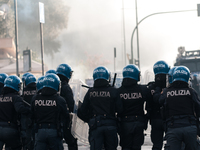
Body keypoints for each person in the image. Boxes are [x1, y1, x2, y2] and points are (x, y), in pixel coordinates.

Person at [77, 66, 123, 150]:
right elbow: (120, 109)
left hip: (95, 126)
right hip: (110, 125)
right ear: (107, 77)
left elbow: (82, 111)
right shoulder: (113, 91)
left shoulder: (90, 92)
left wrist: (90, 120)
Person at [156, 66, 200, 150]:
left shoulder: (167, 92)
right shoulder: (191, 91)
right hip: (190, 127)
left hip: (173, 127)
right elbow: (198, 109)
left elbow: (160, 101)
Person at [31, 73, 70, 150]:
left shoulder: (35, 98)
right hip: (54, 131)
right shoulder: (60, 100)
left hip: (39, 131)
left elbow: (31, 115)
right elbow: (66, 116)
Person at [117, 64, 151, 150]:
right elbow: (151, 104)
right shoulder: (143, 89)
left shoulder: (118, 91)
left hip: (124, 123)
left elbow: (115, 108)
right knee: (136, 147)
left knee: (125, 147)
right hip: (138, 122)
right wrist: (147, 116)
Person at [0, 75, 30, 150]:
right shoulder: (15, 97)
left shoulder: (0, 97)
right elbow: (20, 109)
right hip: (10, 129)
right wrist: (30, 110)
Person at [147, 60, 170, 150]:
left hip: (155, 118)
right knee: (172, 144)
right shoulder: (171, 87)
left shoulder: (151, 87)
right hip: (169, 119)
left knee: (157, 145)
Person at [56, 63, 78, 150]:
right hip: (65, 120)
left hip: (54, 121)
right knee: (72, 142)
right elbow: (71, 104)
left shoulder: (54, 86)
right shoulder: (66, 87)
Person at [21, 74, 37, 150]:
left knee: (26, 136)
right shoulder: (38, 90)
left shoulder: (23, 91)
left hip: (25, 116)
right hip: (36, 116)